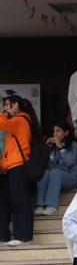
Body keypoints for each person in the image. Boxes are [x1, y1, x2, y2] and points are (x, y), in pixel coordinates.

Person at [0, 94, 40, 245]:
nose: (5, 108)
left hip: (18, 167)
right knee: (10, 201)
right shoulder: (17, 121)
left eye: (8, 105)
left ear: (16, 105)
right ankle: (9, 236)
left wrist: (5, 113)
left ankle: (23, 237)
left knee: (20, 201)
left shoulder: (20, 120)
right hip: (11, 168)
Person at [35, 121, 77, 216]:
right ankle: (40, 205)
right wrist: (46, 148)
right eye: (54, 131)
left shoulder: (73, 144)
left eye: (58, 131)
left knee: (55, 173)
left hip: (71, 177)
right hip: (55, 176)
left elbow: (70, 162)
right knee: (44, 173)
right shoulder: (53, 146)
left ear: (66, 133)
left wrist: (61, 147)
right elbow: (46, 165)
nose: (55, 134)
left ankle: (52, 206)